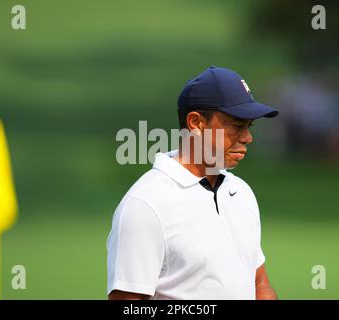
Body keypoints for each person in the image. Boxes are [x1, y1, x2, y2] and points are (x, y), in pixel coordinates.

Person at [107, 66, 278, 300]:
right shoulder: (146, 205)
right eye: (238, 126)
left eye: (250, 127)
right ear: (196, 123)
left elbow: (259, 282)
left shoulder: (241, 193)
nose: (248, 137)